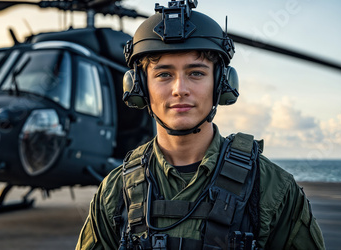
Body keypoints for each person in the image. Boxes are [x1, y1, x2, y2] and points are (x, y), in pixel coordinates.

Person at [76, 1, 325, 249]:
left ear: (221, 84)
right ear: (139, 87)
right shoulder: (114, 191)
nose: (180, 90)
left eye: (196, 73)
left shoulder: (271, 188)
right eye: (163, 74)